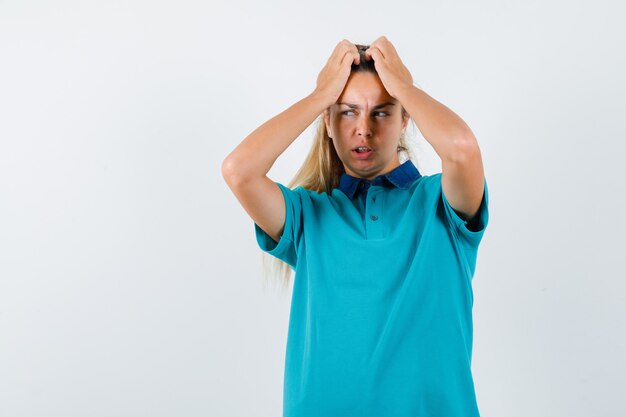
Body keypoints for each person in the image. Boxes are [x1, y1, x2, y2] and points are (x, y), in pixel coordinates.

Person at [222, 36, 490, 417]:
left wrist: (404, 87)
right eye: (348, 112)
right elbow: (238, 171)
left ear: (404, 120)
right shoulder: (307, 216)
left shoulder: (441, 205)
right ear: (328, 124)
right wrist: (320, 97)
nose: (363, 129)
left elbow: (462, 148)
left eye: (381, 112)